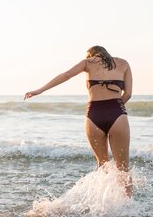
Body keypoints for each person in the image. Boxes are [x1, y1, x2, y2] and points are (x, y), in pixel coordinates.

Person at [24, 45, 133, 197]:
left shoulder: (87, 62)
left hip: (94, 116)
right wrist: (115, 108)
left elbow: (66, 75)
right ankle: (126, 206)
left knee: (102, 165)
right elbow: (128, 93)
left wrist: (39, 90)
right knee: (123, 168)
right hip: (117, 114)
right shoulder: (123, 63)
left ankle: (103, 204)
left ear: (92, 54)